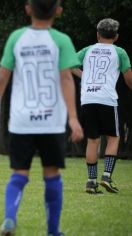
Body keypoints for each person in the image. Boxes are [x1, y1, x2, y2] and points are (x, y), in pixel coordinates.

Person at [0, 0, 84, 235]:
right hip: (51, 121)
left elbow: (0, 77)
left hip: (22, 121)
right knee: (52, 175)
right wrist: (73, 118)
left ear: (28, 9)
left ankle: (10, 218)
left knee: (19, 174)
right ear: (58, 11)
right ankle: (53, 230)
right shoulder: (61, 40)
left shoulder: (17, 38)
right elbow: (67, 79)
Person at [72, 18, 132, 194]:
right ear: (116, 36)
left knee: (93, 140)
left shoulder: (88, 50)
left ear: (97, 35)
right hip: (107, 99)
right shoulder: (119, 52)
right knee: (113, 137)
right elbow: (129, 79)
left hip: (88, 98)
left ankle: (91, 182)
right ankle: (106, 176)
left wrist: (84, 77)